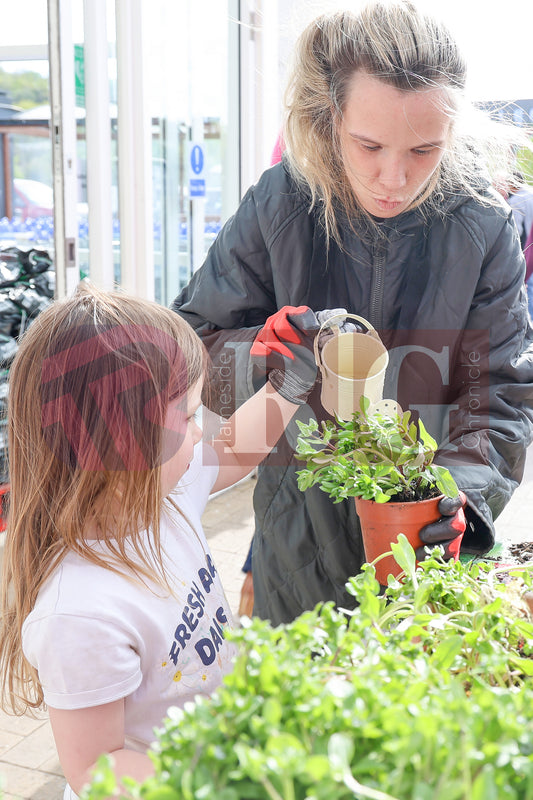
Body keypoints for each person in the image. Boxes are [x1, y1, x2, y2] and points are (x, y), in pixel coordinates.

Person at [172, 1, 533, 626]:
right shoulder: (281, 202)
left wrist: (461, 499)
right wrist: (264, 356)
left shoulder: (480, 223)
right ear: (328, 117)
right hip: (296, 539)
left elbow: (500, 392)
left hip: (424, 546)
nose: (394, 177)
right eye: (369, 144)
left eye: (425, 150)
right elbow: (191, 343)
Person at [0, 283, 319, 798]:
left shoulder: (161, 497)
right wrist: (237, 776)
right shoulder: (79, 612)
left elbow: (234, 452)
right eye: (188, 415)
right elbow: (98, 768)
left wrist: (290, 386)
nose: (199, 433)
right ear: (121, 437)